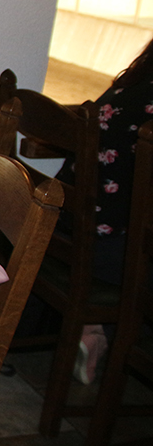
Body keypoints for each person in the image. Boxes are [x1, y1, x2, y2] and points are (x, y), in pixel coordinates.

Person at [60, 37, 153, 385]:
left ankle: (96, 328)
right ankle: (111, 338)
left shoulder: (132, 83)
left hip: (67, 229)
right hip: (105, 251)